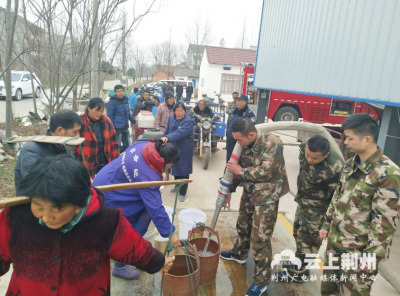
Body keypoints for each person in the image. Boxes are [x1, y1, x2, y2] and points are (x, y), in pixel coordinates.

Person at [1, 155, 174, 295]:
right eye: (38, 207)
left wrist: (158, 262)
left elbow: (133, 247)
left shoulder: (106, 221)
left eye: (56, 209)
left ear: (78, 203)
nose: (46, 217)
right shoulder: (16, 216)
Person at [319, 114, 400, 296]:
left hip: (358, 253)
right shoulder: (350, 165)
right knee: (328, 289)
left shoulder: (388, 174)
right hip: (335, 243)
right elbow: (337, 197)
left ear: (367, 139)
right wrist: (326, 223)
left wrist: (371, 257)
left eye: (349, 138)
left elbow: (384, 224)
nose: (345, 142)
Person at [220, 118, 289, 296]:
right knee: (243, 226)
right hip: (250, 192)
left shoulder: (272, 143)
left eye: (240, 139)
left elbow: (266, 171)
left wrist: (240, 171)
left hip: (267, 196)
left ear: (251, 134)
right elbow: (233, 167)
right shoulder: (243, 143)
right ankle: (239, 254)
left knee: (260, 238)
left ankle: (261, 281)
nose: (238, 143)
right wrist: (229, 189)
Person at [93, 139, 181, 279]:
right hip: (111, 193)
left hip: (107, 178)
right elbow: (155, 208)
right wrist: (171, 232)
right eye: (171, 164)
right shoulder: (148, 176)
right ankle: (120, 265)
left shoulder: (144, 145)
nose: (170, 167)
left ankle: (117, 254)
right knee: (130, 224)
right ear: (163, 160)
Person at [276, 135, 343, 283]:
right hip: (303, 202)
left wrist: (327, 220)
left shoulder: (334, 168)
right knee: (299, 234)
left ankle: (297, 274)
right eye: (307, 155)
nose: (309, 160)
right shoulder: (306, 146)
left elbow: (336, 197)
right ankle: (299, 264)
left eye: (314, 158)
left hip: (318, 210)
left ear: (326, 155)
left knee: (309, 242)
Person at [14, 109, 82, 195]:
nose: (78, 136)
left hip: (58, 201)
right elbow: (36, 185)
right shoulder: (31, 150)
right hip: (34, 204)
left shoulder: (64, 147)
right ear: (60, 131)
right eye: (75, 132)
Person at [74, 98, 120, 178]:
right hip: (87, 162)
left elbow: (114, 142)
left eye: (101, 111)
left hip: (105, 162)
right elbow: (73, 144)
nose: (99, 113)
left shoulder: (106, 122)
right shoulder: (80, 122)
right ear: (89, 109)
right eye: (97, 110)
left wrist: (115, 161)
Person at [161, 102, 194, 202]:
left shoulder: (188, 121)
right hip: (173, 148)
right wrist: (163, 136)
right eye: (177, 111)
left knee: (184, 169)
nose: (180, 113)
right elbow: (167, 130)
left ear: (185, 111)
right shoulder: (171, 118)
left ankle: (183, 192)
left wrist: (167, 137)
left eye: (182, 111)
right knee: (175, 167)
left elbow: (180, 133)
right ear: (174, 111)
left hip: (184, 149)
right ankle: (177, 186)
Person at [226, 94, 256, 162]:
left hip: (241, 145)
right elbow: (228, 125)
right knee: (229, 162)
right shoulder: (233, 112)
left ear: (244, 102)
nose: (237, 102)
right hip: (230, 143)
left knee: (239, 163)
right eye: (236, 100)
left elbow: (251, 130)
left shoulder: (249, 114)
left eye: (239, 100)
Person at [107, 84, 136, 153]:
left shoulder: (125, 100)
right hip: (117, 128)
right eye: (118, 91)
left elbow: (128, 113)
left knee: (127, 145)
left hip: (125, 126)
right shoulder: (112, 102)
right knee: (117, 145)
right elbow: (110, 116)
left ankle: (120, 156)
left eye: (121, 91)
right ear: (115, 93)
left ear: (124, 91)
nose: (120, 93)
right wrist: (112, 128)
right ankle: (115, 158)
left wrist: (134, 121)